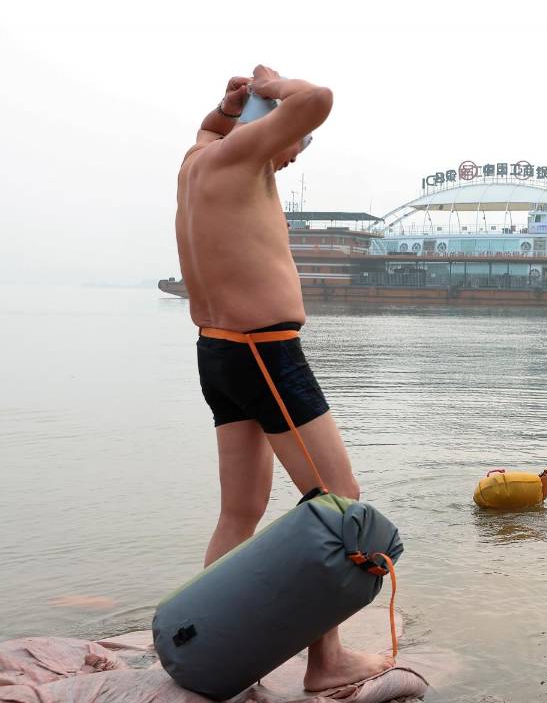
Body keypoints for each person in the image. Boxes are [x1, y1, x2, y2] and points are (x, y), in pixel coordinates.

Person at [174, 66, 393, 691]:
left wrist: (227, 105)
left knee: (239, 511)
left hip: (218, 352)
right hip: (265, 354)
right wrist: (276, 81)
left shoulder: (197, 162)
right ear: (265, 125)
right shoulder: (241, 157)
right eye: (297, 141)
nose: (296, 154)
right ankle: (327, 662)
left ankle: (207, 648)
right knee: (339, 507)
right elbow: (317, 99)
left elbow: (208, 128)